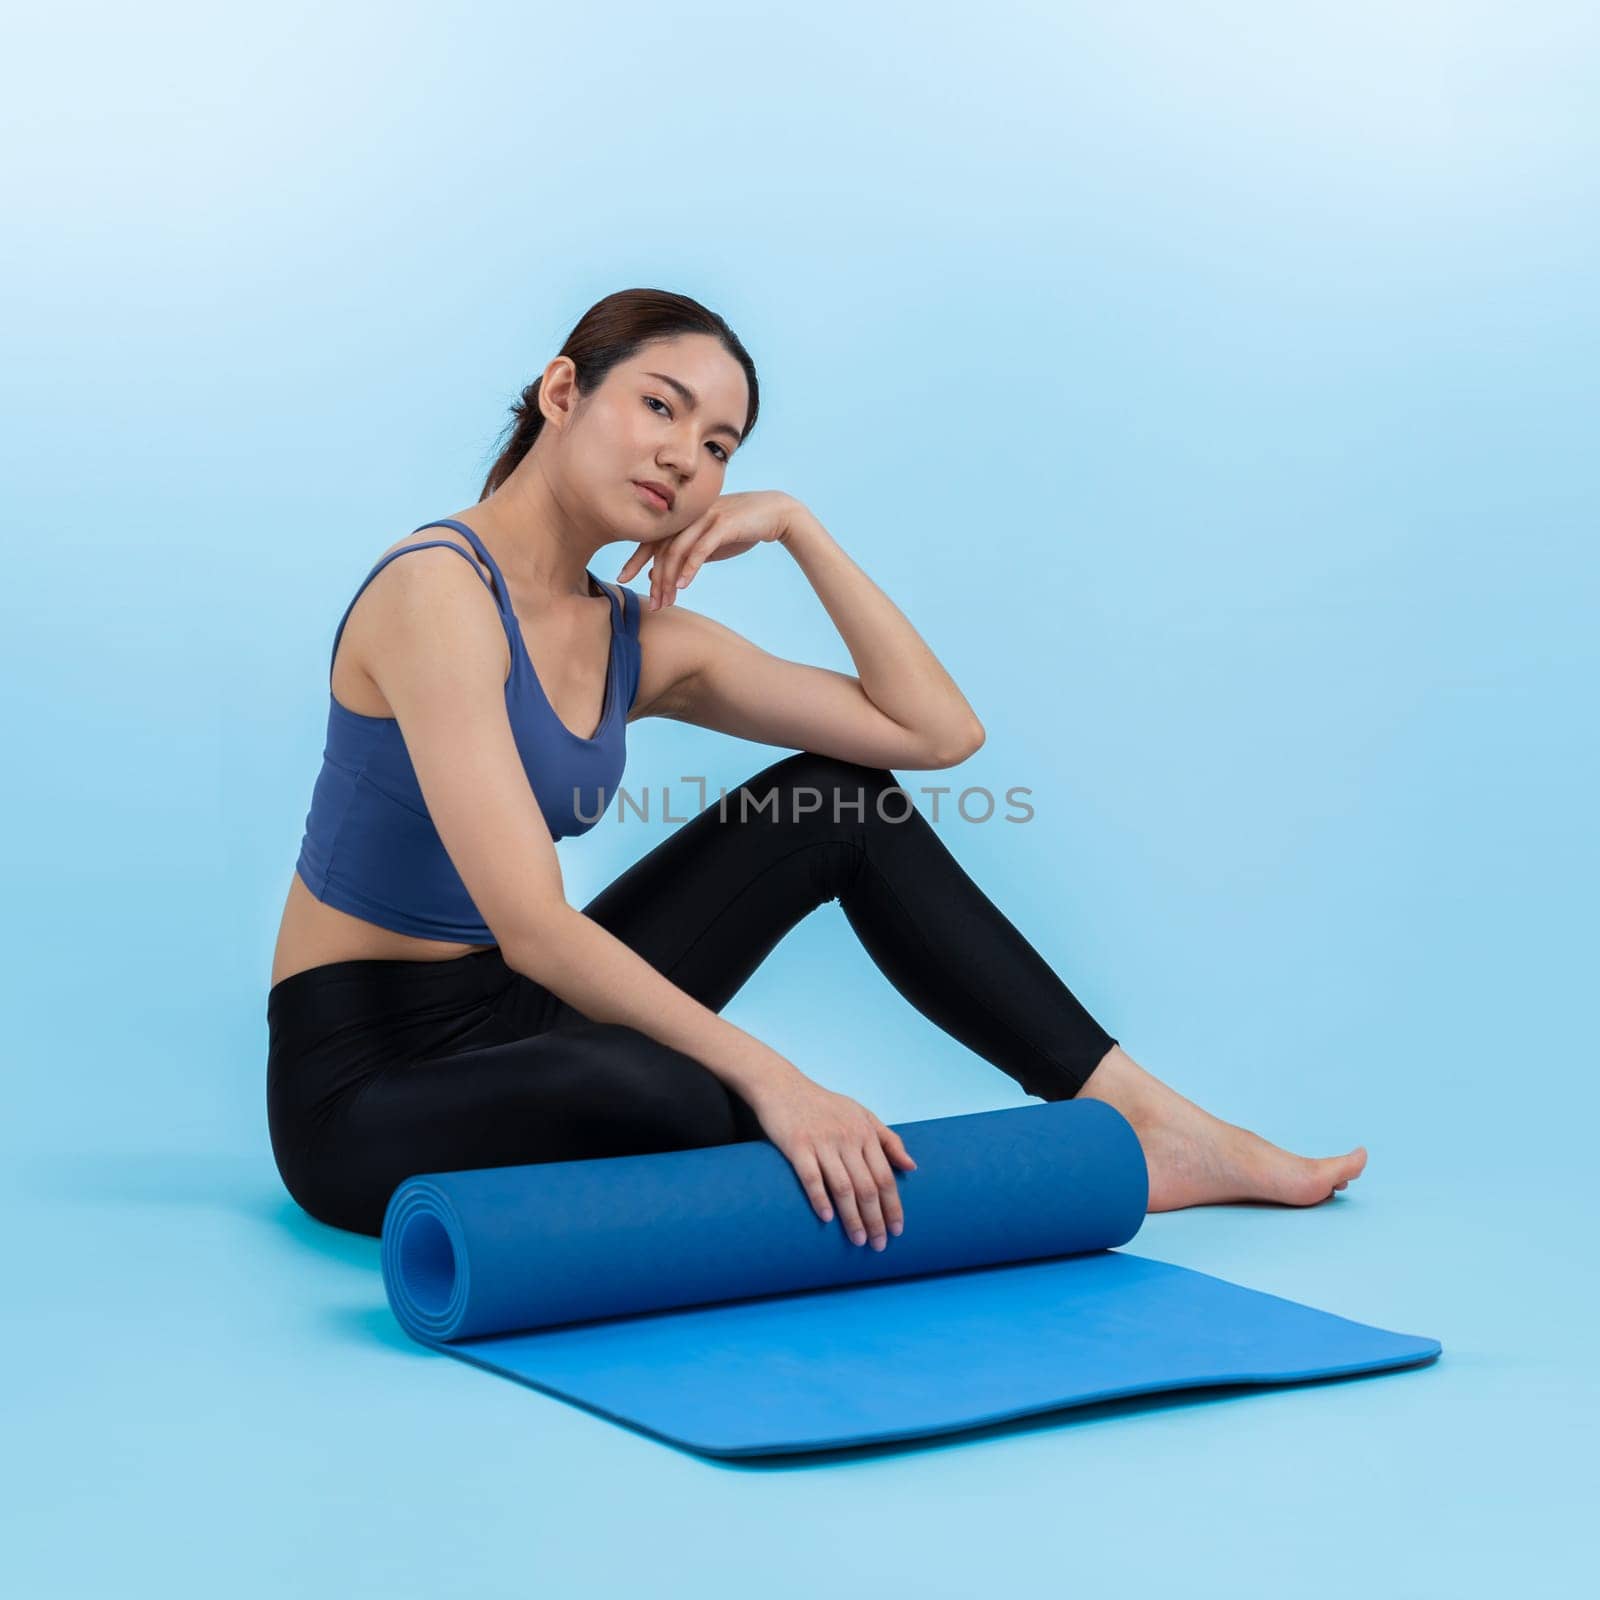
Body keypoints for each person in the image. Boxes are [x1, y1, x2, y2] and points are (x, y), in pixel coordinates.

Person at [267, 286, 1366, 1242]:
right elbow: (536, 925)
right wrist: (780, 1080)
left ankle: (1143, 1119)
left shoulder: (633, 639)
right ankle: (799, 1142)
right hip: (365, 1075)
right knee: (662, 1087)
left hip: (513, 1011)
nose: (683, 457)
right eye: (659, 404)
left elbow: (936, 735)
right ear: (563, 393)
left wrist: (799, 529)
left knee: (836, 801)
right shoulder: (435, 595)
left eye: (719, 447)